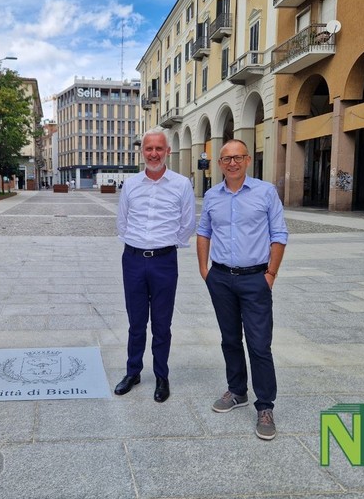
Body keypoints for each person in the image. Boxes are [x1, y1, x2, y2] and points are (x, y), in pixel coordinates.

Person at [196, 139, 288, 440]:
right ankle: (237, 392)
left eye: (238, 157)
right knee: (230, 339)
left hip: (255, 279)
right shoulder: (212, 196)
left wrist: (270, 274)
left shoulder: (265, 192)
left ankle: (265, 406)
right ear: (219, 164)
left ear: (248, 160)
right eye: (226, 159)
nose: (232, 163)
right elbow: (203, 232)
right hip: (221, 278)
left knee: (260, 345)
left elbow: (279, 234)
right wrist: (204, 270)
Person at [115, 127, 196, 403]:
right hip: (134, 260)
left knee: (162, 324)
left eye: (159, 149)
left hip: (164, 262)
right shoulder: (131, 185)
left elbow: (187, 224)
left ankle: (161, 375)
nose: (153, 153)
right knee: (136, 322)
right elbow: (122, 223)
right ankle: (133, 371)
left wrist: (165, 245)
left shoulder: (181, 184)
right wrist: (138, 245)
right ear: (142, 152)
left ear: (167, 152)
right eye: (149, 149)